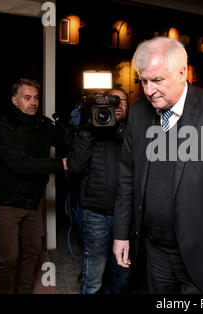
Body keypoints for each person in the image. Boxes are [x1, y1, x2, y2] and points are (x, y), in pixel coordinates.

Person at [113, 37, 203, 294]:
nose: (148, 90)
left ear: (182, 73)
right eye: (143, 81)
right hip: (153, 249)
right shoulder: (137, 112)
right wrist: (121, 233)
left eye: (157, 80)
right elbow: (127, 178)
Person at [0, 78, 68, 294]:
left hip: (33, 202)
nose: (33, 102)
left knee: (32, 251)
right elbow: (20, 164)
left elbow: (65, 142)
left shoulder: (43, 124)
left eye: (35, 98)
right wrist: (60, 164)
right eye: (27, 98)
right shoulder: (3, 128)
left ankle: (23, 291)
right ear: (15, 101)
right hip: (7, 205)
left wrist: (70, 127)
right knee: (10, 257)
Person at [67, 88, 130, 294]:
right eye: (113, 101)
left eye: (122, 101)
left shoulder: (133, 132)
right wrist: (88, 130)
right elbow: (75, 167)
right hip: (95, 214)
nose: (118, 105)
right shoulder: (90, 131)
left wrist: (120, 131)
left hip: (127, 215)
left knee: (121, 273)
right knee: (94, 273)